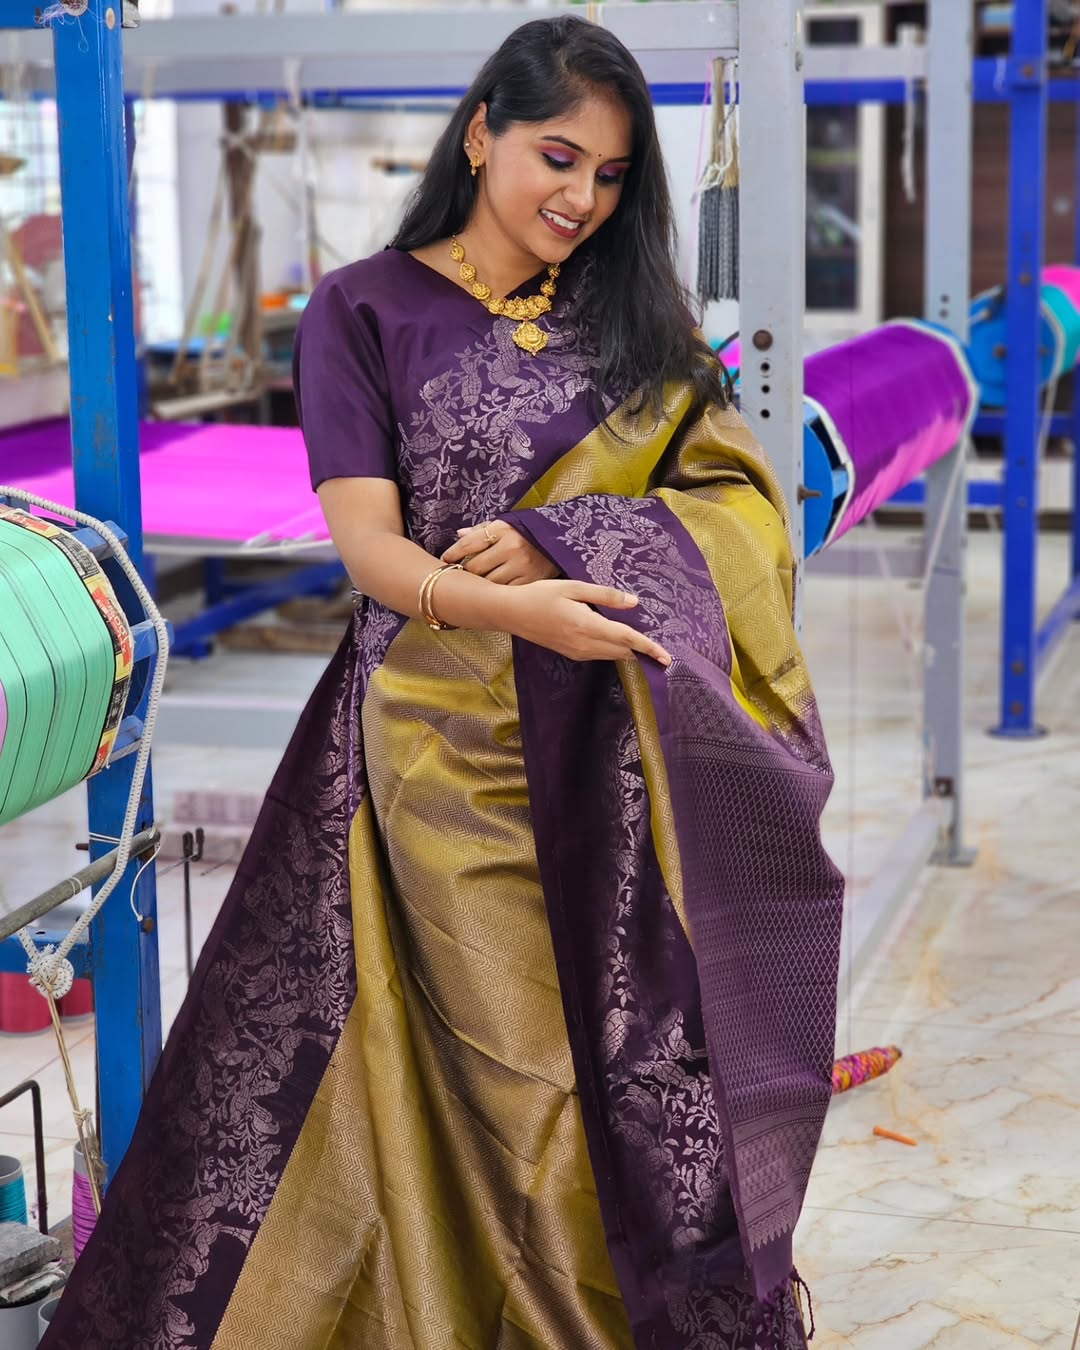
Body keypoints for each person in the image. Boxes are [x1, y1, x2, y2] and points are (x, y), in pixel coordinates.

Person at [42, 16, 843, 1350]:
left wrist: (568, 541)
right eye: (555, 156)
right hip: (431, 775)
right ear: (481, 132)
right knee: (507, 1088)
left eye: (608, 176)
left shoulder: (632, 318)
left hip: (613, 768)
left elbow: (739, 505)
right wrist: (521, 597)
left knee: (632, 1095)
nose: (581, 199)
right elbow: (371, 556)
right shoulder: (363, 309)